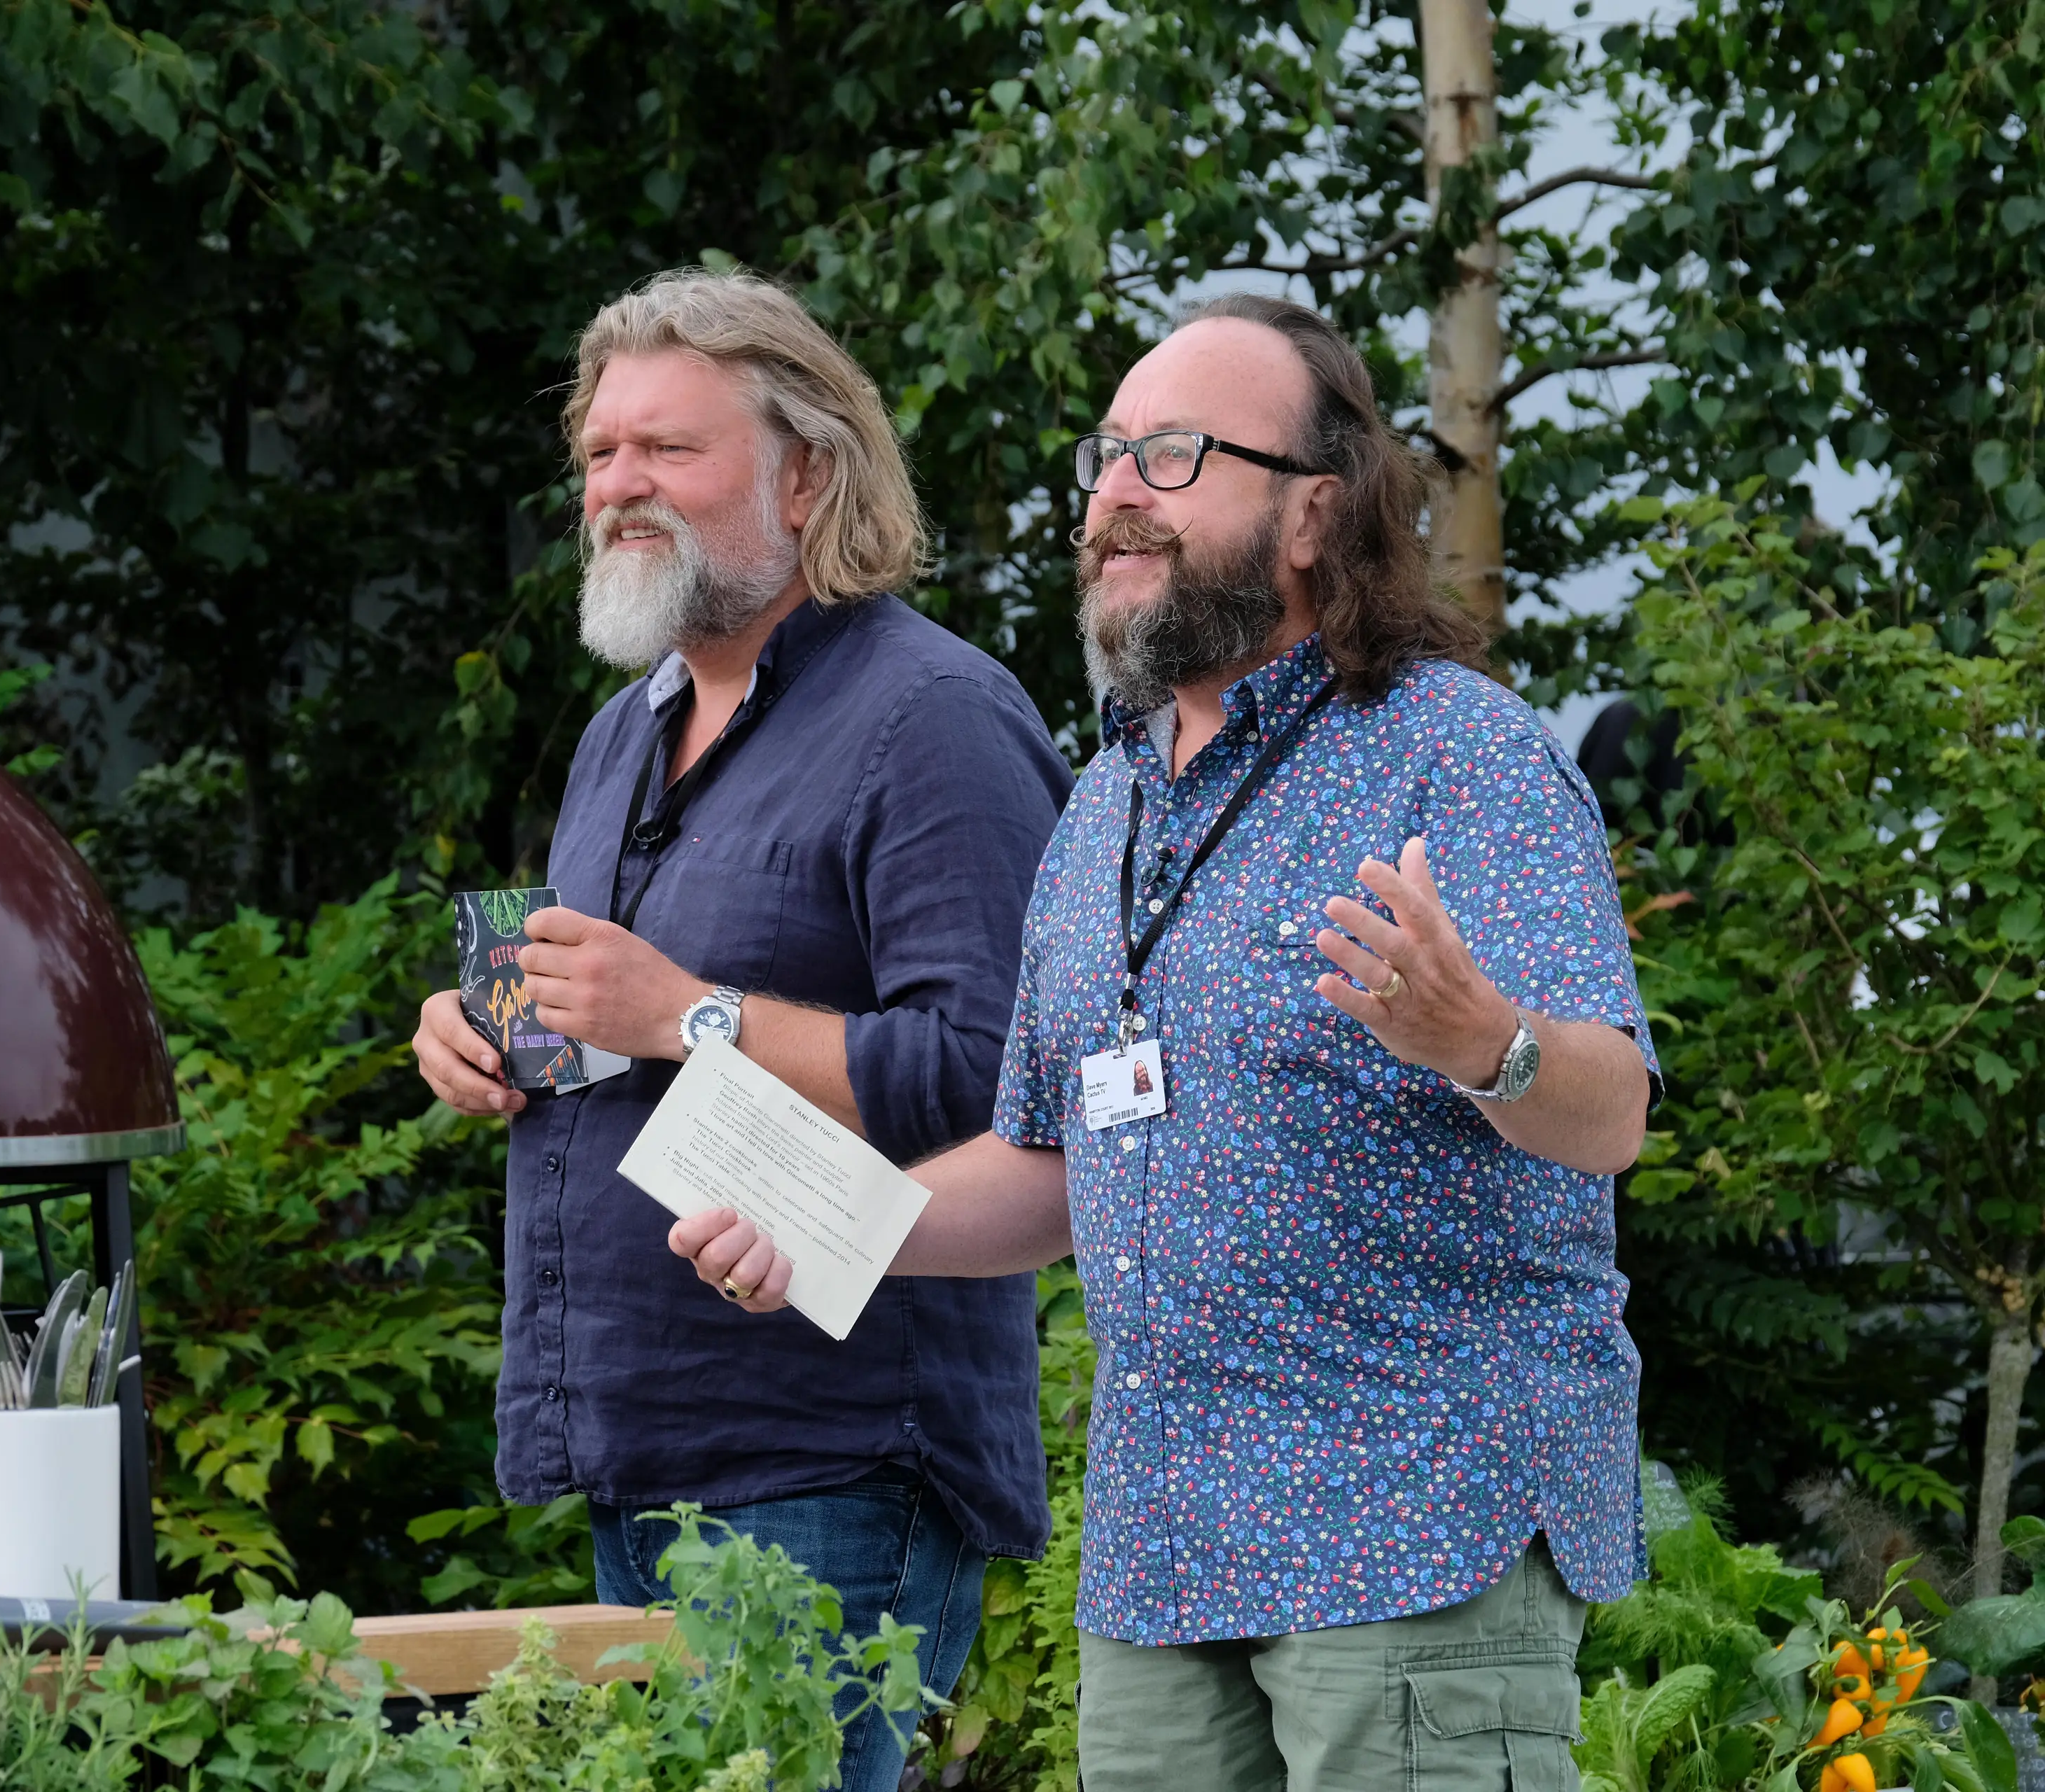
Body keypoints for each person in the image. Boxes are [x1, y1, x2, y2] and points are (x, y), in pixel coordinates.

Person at [671, 292, 1655, 1792]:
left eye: (1176, 454)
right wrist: (826, 1224)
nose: (1118, 493)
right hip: (1165, 1557)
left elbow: (1613, 1112)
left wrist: (1482, 1039)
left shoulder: (1459, 752)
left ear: (1314, 514)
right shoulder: (1107, 803)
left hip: (1411, 1526)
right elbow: (1051, 1161)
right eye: (1109, 454)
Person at [410, 268, 1073, 1792]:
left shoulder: (934, 718)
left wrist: (685, 1015)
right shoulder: (623, 730)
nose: (619, 485)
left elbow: (1004, 1074)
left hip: (832, 1458)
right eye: (601, 452)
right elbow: (609, 1017)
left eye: (670, 448)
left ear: (808, 475)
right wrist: (484, 1032)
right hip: (635, 1446)